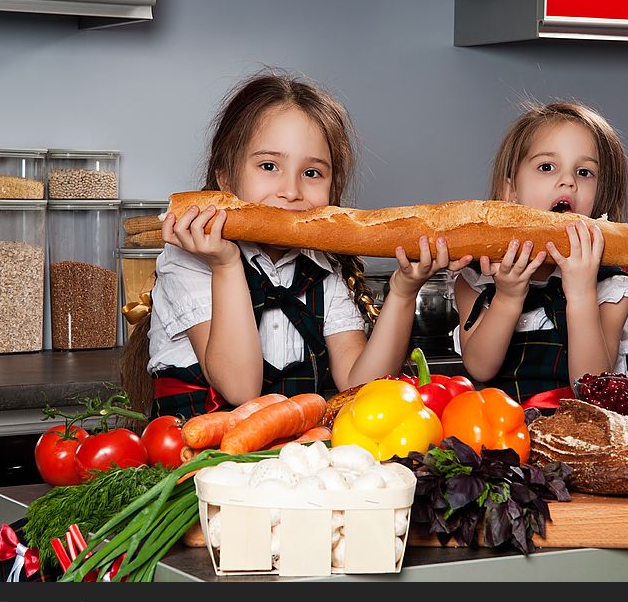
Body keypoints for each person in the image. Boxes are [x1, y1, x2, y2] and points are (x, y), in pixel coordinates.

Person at [121, 70, 472, 419]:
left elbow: (361, 386)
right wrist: (226, 265)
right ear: (225, 178)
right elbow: (240, 389)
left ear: (333, 190)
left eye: (312, 173)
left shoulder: (324, 267)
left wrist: (403, 290)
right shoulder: (189, 260)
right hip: (195, 459)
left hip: (296, 464)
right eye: (269, 165)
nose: (291, 191)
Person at [449, 100, 628, 409]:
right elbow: (481, 367)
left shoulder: (613, 288)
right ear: (511, 191)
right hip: (508, 442)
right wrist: (507, 297)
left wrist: (581, 293)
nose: (568, 181)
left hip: (585, 442)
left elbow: (595, 388)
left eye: (585, 172)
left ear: (600, 196)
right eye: (546, 167)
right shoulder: (477, 279)